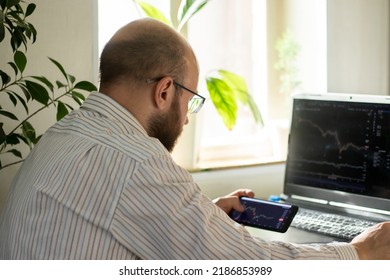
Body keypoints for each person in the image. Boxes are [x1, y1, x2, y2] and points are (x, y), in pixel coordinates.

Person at [0, 18, 389, 260]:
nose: (187, 117)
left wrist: (202, 219)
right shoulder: (136, 161)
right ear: (165, 90)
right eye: (191, 100)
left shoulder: (64, 134)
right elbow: (253, 265)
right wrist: (360, 252)